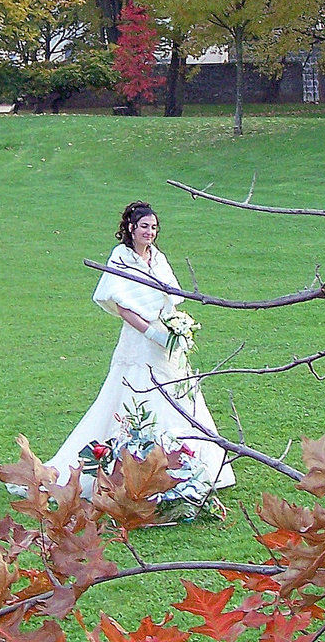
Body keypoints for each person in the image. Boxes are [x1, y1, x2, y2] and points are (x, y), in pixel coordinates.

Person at [44, 201, 236, 503]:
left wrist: (174, 328)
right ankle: (133, 469)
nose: (150, 232)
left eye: (154, 227)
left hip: (166, 340)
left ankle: (187, 466)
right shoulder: (120, 259)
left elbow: (172, 296)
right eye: (144, 226)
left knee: (178, 396)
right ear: (131, 228)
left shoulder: (158, 258)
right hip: (140, 339)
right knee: (139, 396)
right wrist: (151, 333)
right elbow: (122, 305)